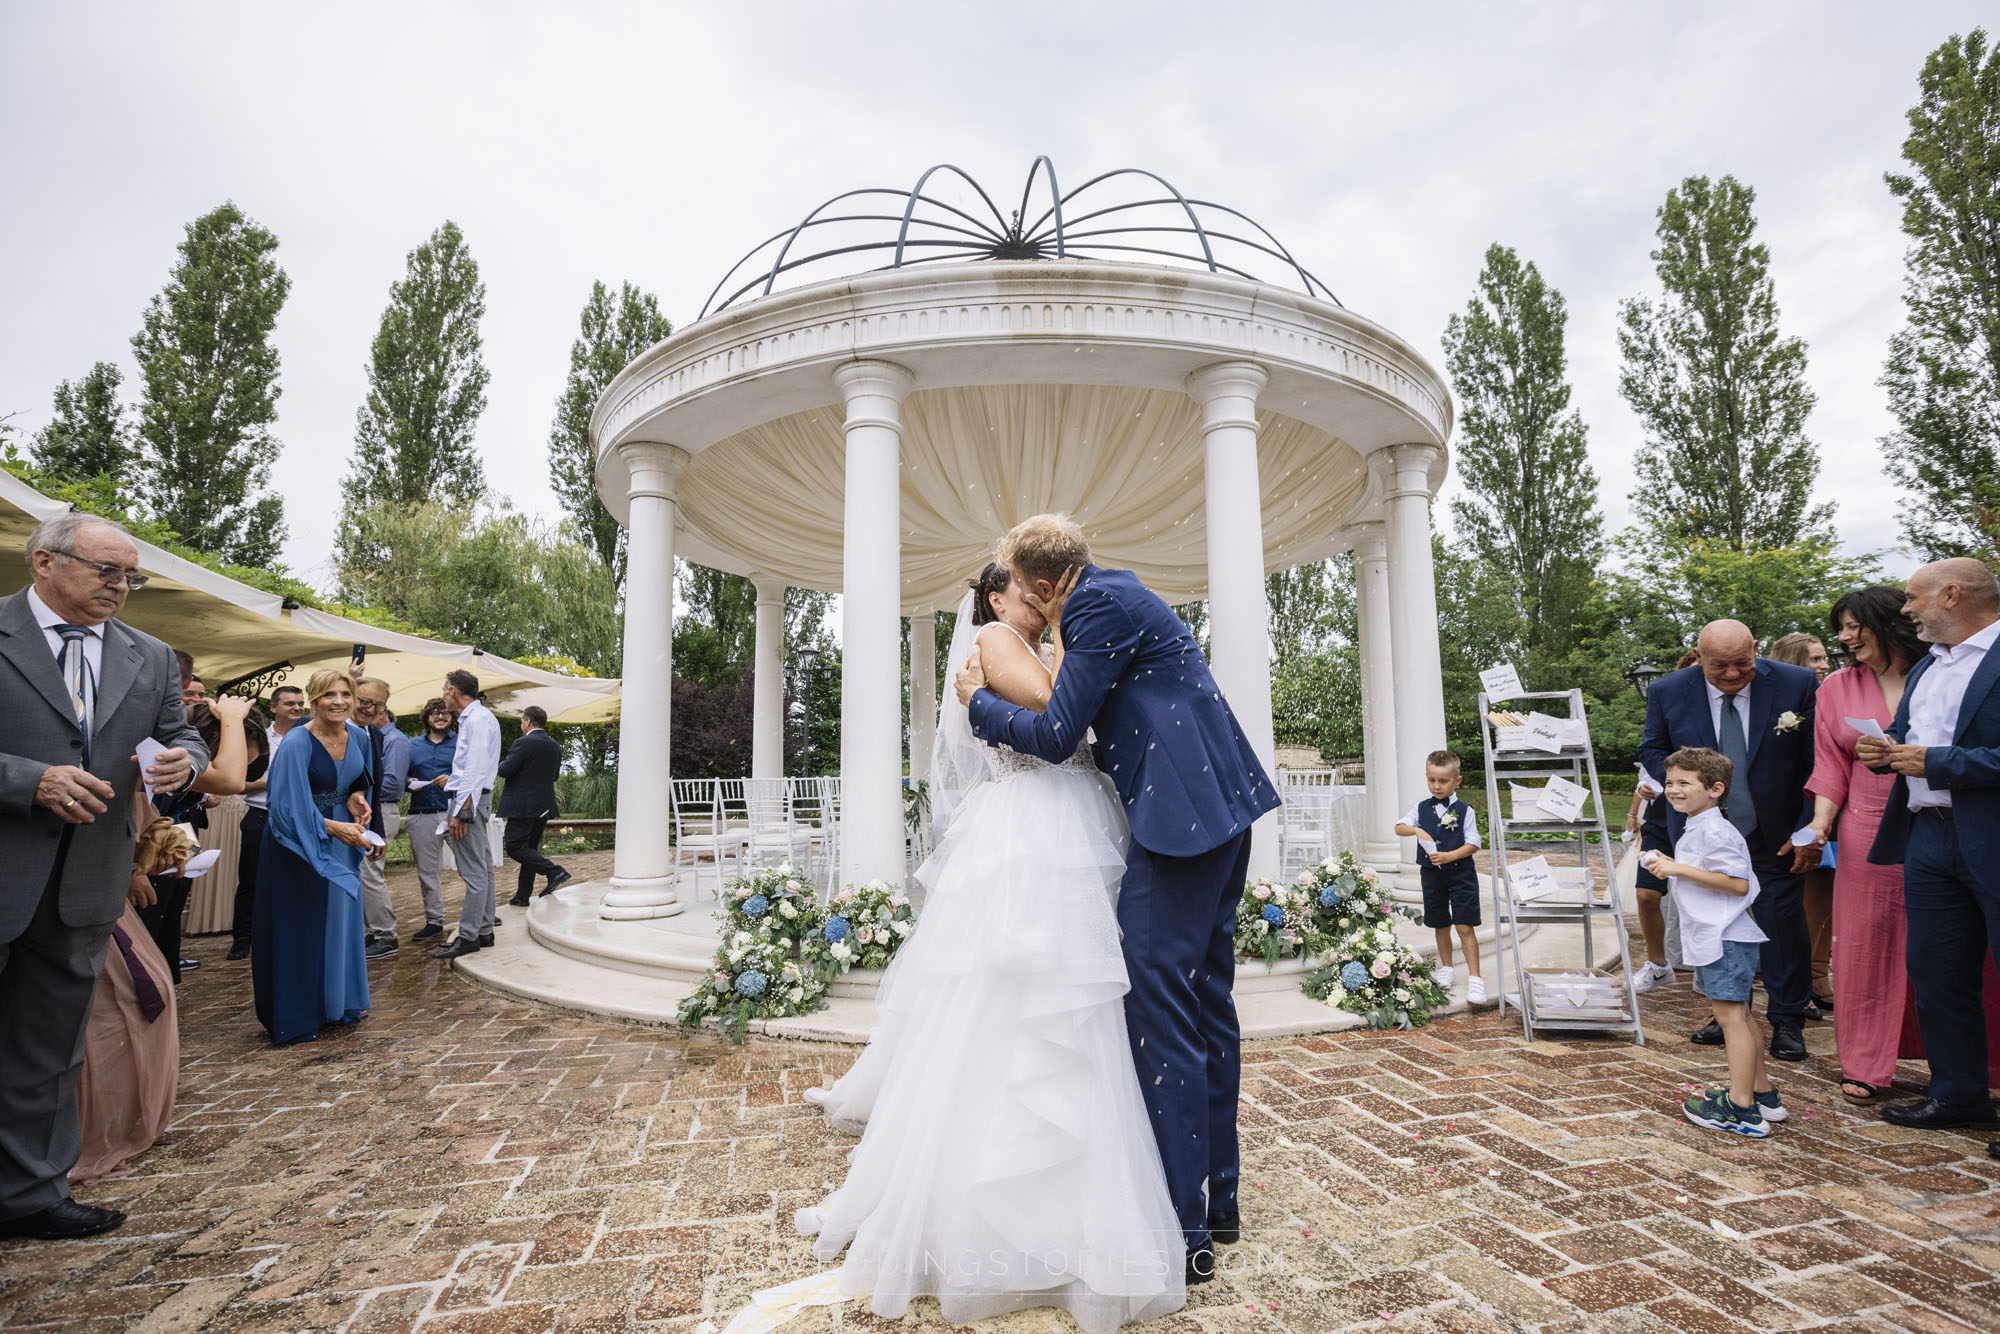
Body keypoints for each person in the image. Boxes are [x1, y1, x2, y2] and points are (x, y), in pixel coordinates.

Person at [792, 561, 1186, 1331]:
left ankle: (1071, 1198)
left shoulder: (1027, 643)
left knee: (1067, 1005)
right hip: (1029, 834)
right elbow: (1058, 711)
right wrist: (1075, 638)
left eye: (1046, 589)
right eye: (1026, 589)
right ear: (998, 597)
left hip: (1061, 822)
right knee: (1019, 993)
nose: (1039, 598)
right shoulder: (995, 640)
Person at [961, 515, 1279, 1284]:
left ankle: (1182, 1225)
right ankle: (1221, 1198)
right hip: (1216, 813)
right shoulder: (1121, 590)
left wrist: (979, 705)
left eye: (1031, 600)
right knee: (1206, 1003)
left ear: (1043, 585)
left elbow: (1059, 728)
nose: (1031, 614)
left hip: (1181, 826)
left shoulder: (1096, 608)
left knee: (1157, 1008)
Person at [0, 512, 207, 1241]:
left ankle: (29, 1194)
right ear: (45, 563)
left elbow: (182, 734)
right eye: (106, 571)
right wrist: (28, 780)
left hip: (87, 883)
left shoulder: (149, 656)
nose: (122, 587)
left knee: (50, 1049)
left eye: (131, 575)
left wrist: (188, 761)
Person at [1862, 559, 2000, 1143]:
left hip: (1991, 836)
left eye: (1914, 599)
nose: (1906, 609)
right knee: (1938, 975)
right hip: (1928, 837)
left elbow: (1949, 754)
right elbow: (1912, 736)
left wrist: (1939, 762)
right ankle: (1958, 1095)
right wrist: (1886, 749)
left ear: (1952, 595)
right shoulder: (1928, 668)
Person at [1637, 619, 1818, 1061]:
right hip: (1705, 836)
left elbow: (1816, 758)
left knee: (1781, 925)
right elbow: (1652, 748)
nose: (1734, 674)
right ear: (1698, 658)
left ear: (1756, 648)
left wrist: (1808, 827)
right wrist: (1683, 783)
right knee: (1717, 925)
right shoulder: (1668, 690)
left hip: (1776, 831)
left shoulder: (1796, 683)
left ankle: (1788, 1018)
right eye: (1721, 666)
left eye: (1743, 662)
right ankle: (1729, 1012)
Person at [1647, 747, 1787, 1137]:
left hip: (1724, 936)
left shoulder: (1714, 830)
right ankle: (1762, 1094)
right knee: (1740, 1014)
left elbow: (1738, 883)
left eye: (1684, 783)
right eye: (1670, 782)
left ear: (1715, 789)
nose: (1674, 790)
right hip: (1721, 935)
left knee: (1731, 1019)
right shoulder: (1698, 824)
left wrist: (1677, 867)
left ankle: (1741, 1108)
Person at [252, 668, 373, 1045]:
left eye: (345, 694)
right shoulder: (297, 742)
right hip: (297, 842)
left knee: (341, 919)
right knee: (302, 925)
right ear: (313, 699)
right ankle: (301, 1012)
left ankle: (339, 1002)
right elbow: (283, 807)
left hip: (343, 837)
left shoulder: (358, 736)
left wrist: (357, 800)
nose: (338, 702)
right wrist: (335, 828)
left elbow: (356, 780)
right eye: (328, 695)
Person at [1768, 631, 1836, 1017]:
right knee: (1804, 905)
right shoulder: (1781, 701)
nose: (1824, 665)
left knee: (1826, 902)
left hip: (1836, 805)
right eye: (1815, 659)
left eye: (1825, 658)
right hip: (1799, 810)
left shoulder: (1835, 694)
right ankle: (1799, 983)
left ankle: (1818, 975)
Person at [1630, 646, 1705, 984]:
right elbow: (1650, 757)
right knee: (1647, 892)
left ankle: (1707, 965)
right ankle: (1658, 964)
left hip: (1704, 817)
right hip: (1662, 817)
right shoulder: (1669, 706)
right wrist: (1661, 786)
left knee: (1701, 894)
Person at [1393, 748, 1486, 1005]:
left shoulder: (1465, 810)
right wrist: (1415, 831)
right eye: (1432, 779)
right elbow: (1399, 827)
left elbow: (1473, 844)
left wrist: (1450, 856)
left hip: (1461, 874)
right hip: (1432, 876)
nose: (1436, 785)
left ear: (1457, 780)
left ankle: (1476, 978)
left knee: (1464, 925)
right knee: (1440, 923)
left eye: (1443, 781)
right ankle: (1447, 969)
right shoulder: (1421, 808)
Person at [228, 684, 303, 962]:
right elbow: (237, 784)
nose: (296, 708)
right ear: (273, 707)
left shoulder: (309, 738)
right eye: (289, 704)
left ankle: (287, 935)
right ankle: (242, 939)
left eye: (299, 703)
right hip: (260, 817)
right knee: (250, 881)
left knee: (293, 880)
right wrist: (273, 783)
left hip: (297, 820)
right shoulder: (257, 739)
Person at [434, 670, 500, 959]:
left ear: (453, 690)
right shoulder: (478, 719)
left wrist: (461, 813)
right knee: (483, 868)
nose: (443, 695)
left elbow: (474, 769)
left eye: (444, 690)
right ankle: (484, 931)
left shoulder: (476, 720)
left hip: (469, 803)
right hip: (474, 798)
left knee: (474, 873)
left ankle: (469, 935)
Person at [352, 677, 410, 960]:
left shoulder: (388, 738)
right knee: (359, 874)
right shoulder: (363, 732)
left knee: (370, 873)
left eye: (377, 704)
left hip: (376, 810)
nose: (370, 708)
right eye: (365, 701)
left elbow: (389, 785)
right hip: (351, 815)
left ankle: (385, 934)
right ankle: (373, 931)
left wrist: (375, 827)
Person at [500, 705, 570, 906]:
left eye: (522, 721)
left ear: (527, 721)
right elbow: (554, 776)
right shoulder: (555, 746)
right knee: (529, 848)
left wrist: (502, 765)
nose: (522, 725)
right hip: (544, 805)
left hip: (523, 805)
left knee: (513, 846)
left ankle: (554, 871)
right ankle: (522, 896)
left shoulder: (523, 743)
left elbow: (506, 770)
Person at [404, 698, 456, 941]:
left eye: (445, 713)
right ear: (426, 718)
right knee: (428, 873)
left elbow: (475, 772)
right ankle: (434, 921)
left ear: (452, 717)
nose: (440, 717)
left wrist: (454, 780)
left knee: (472, 866)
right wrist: (408, 783)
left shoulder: (461, 743)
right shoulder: (411, 745)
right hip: (422, 814)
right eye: (435, 713)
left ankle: (483, 912)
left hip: (456, 813)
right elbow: (399, 775)